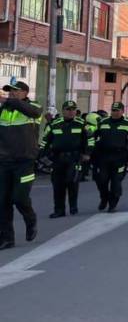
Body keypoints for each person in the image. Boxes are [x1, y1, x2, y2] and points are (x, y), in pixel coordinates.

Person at [0, 81, 41, 249]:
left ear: (25, 92)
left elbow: (34, 112)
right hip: (4, 162)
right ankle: (7, 238)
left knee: (20, 198)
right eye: (10, 91)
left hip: (25, 161)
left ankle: (31, 221)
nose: (12, 94)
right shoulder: (3, 110)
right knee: (2, 202)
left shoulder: (33, 107)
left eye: (15, 91)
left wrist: (7, 101)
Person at [41, 100, 89, 218]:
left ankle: (73, 207)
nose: (71, 112)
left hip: (74, 158)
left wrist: (87, 153)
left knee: (71, 181)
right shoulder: (54, 124)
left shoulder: (82, 123)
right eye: (68, 109)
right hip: (58, 158)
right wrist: (42, 155)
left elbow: (90, 139)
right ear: (63, 111)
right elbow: (45, 140)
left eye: (73, 109)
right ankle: (59, 210)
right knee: (58, 184)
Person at [93, 101, 128, 213]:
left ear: (122, 111)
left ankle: (113, 204)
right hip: (104, 156)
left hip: (120, 157)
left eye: (117, 110)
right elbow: (94, 137)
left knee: (116, 182)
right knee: (101, 180)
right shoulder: (103, 122)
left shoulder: (127, 123)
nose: (115, 113)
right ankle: (104, 198)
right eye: (113, 110)